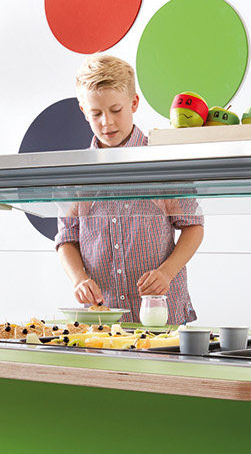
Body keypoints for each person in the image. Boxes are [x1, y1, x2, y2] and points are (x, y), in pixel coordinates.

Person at [54, 54, 205, 325]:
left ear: (134, 103)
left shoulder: (162, 162)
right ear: (83, 110)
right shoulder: (76, 172)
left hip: (162, 313)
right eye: (96, 113)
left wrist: (166, 272)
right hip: (103, 318)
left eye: (116, 110)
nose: (107, 122)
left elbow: (193, 226)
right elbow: (66, 237)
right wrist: (79, 279)